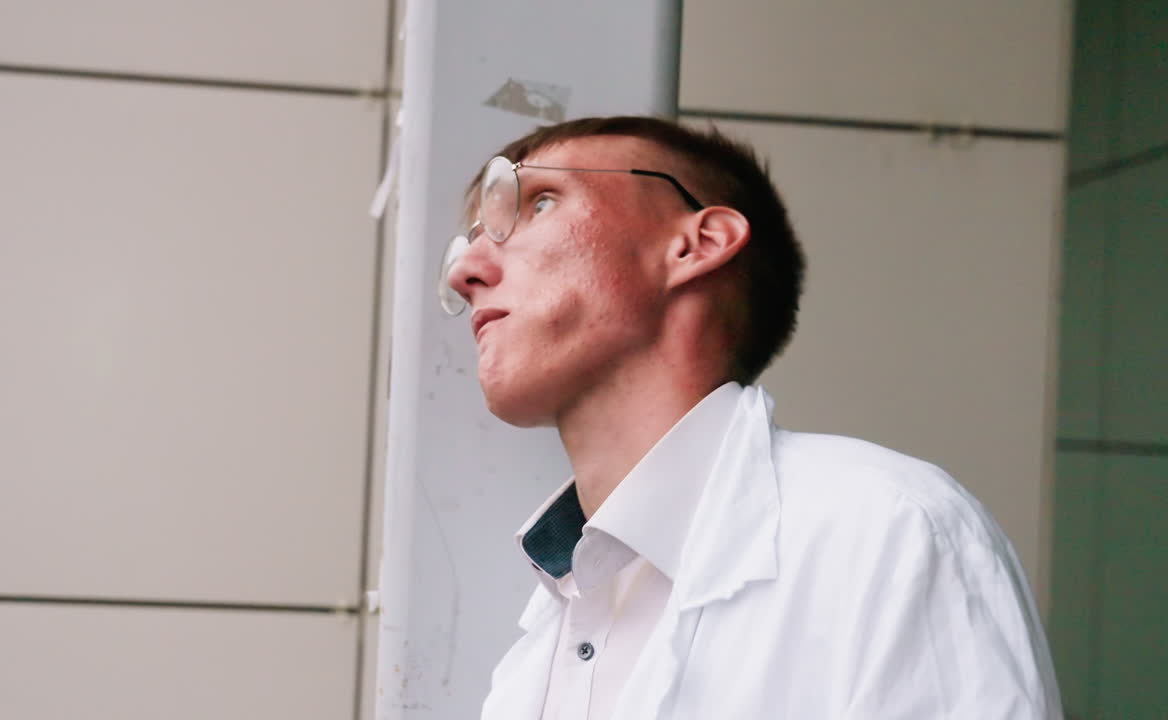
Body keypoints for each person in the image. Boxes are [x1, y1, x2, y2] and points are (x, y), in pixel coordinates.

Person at [439, 116, 1061, 719]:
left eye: (539, 203)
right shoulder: (537, 648)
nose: (465, 272)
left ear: (698, 244)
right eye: (470, 243)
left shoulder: (889, 534)